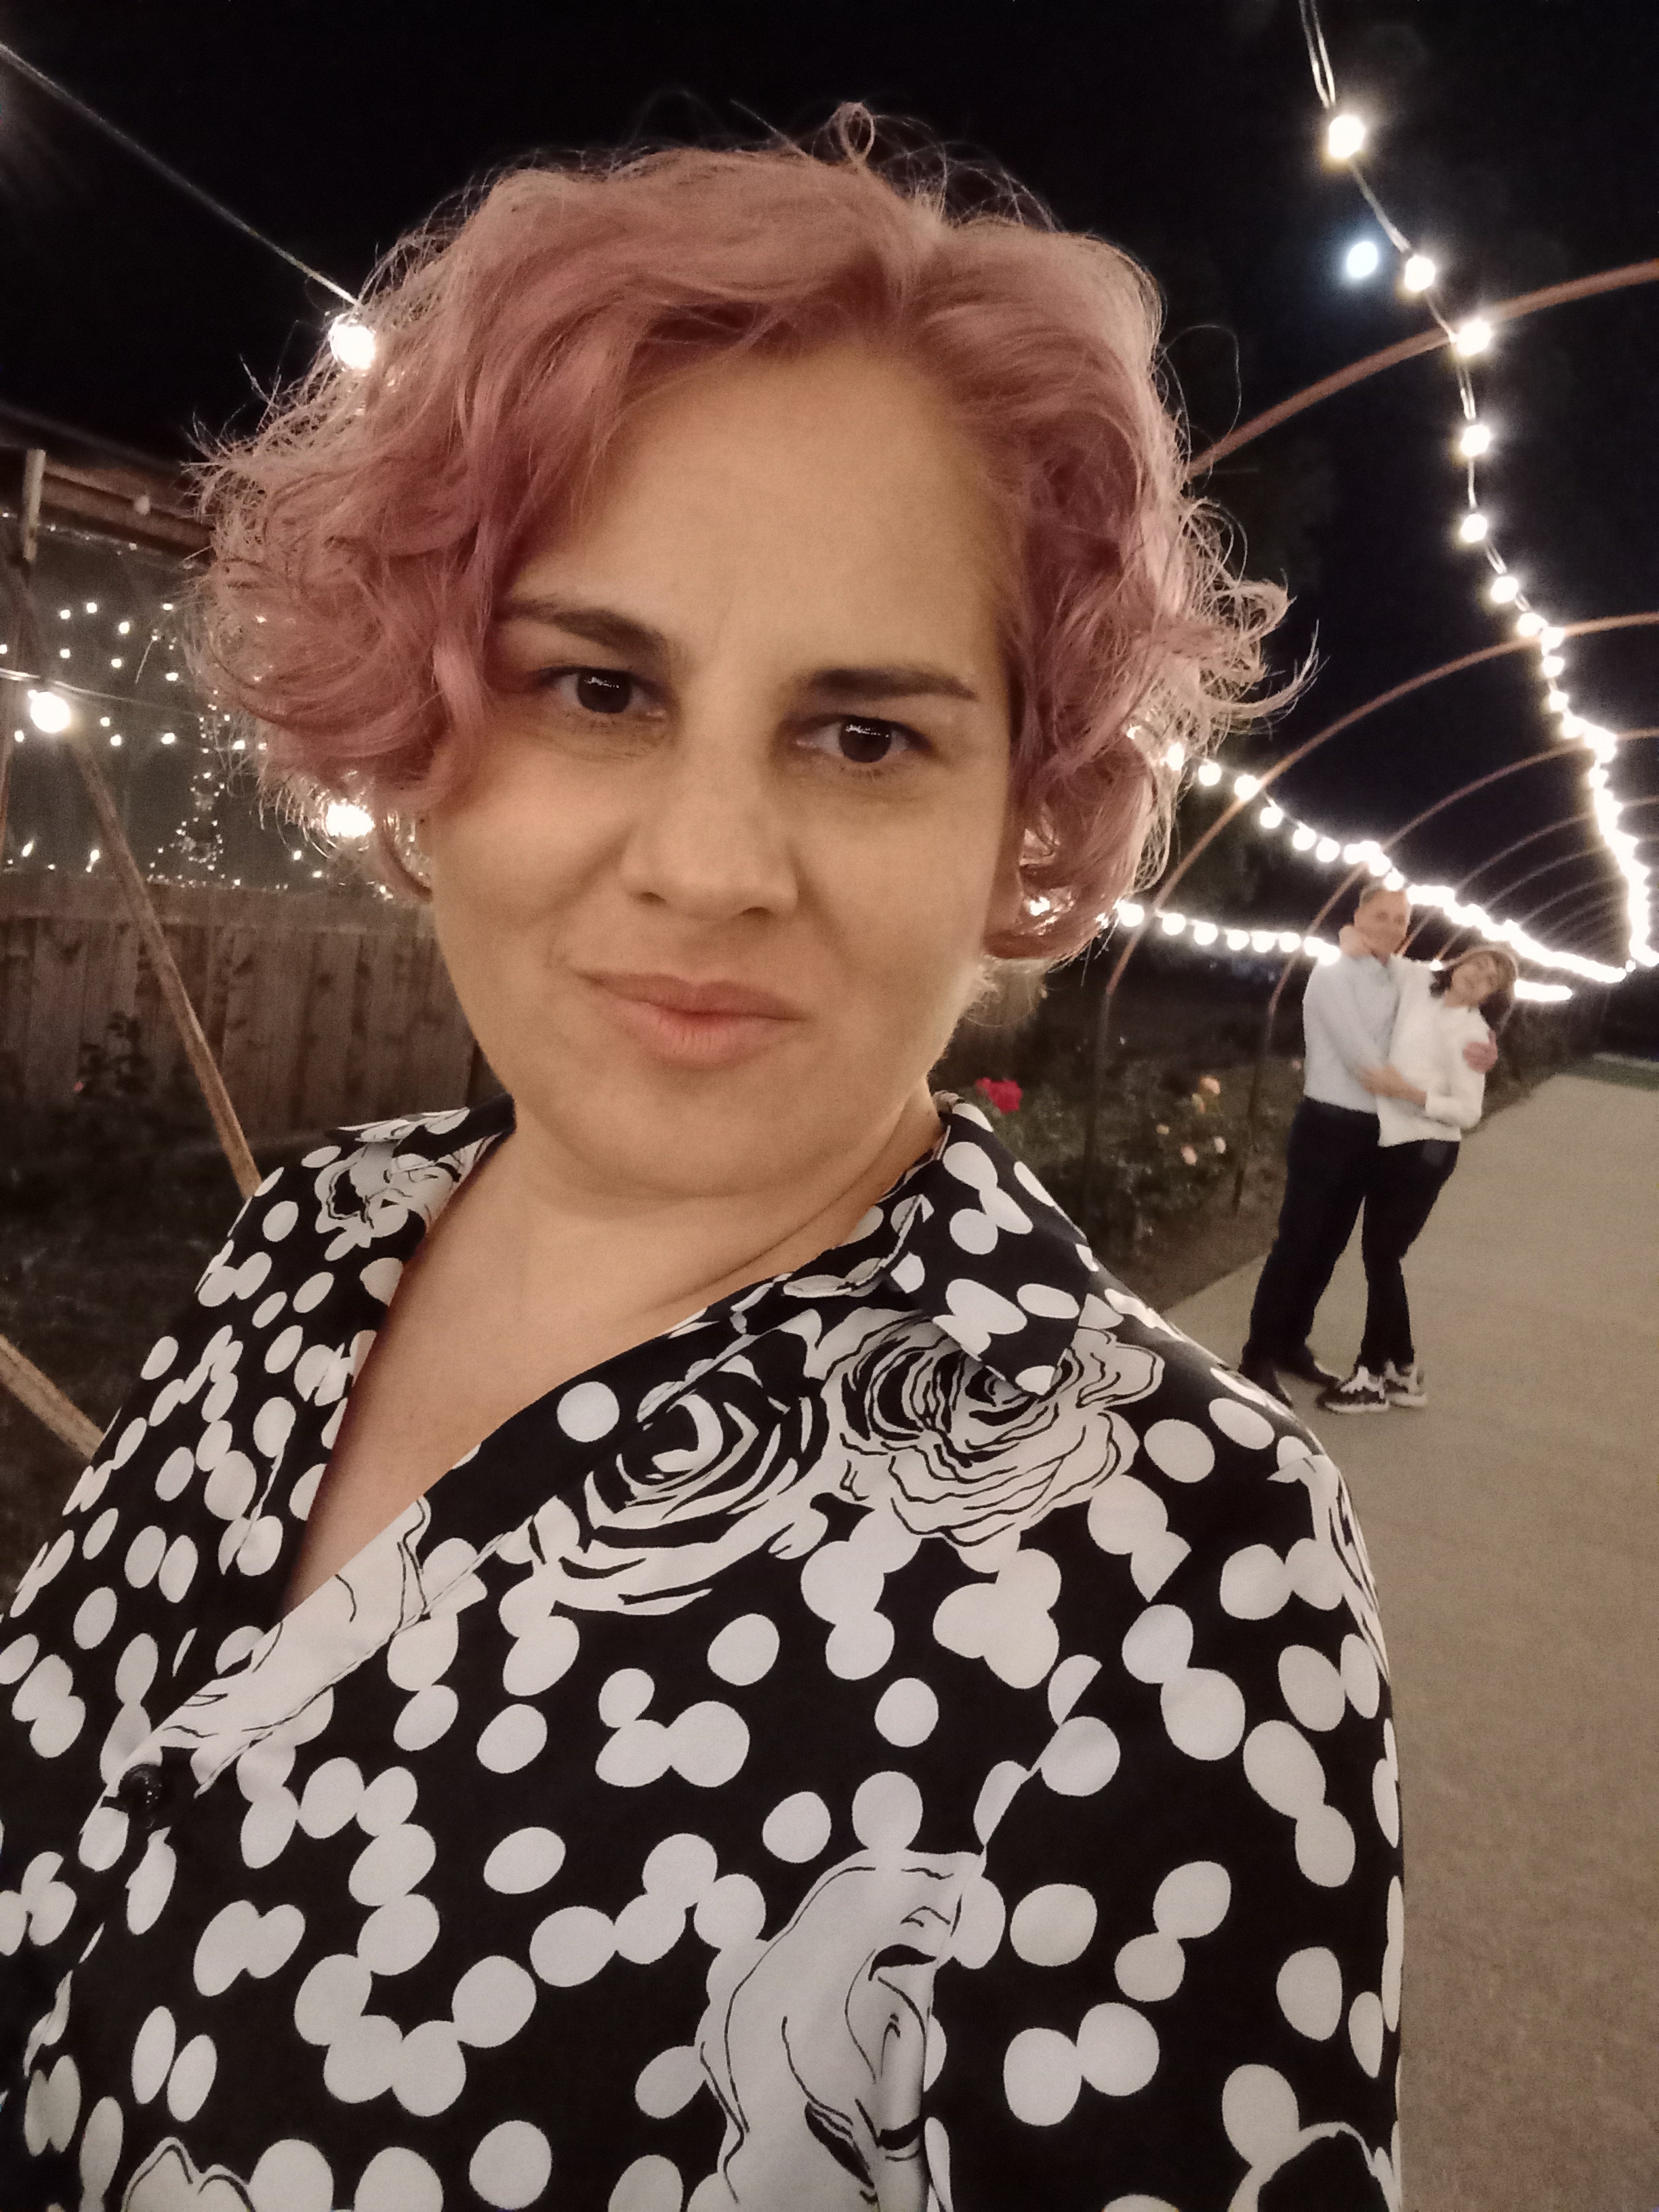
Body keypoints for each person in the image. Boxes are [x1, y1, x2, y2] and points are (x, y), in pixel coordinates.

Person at [0, 119, 1404, 2211]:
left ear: (1025, 808)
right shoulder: (310, 1244)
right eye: (597, 686)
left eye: (864, 734)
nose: (711, 863)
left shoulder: (1182, 1570)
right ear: (426, 716)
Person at [1240, 882, 1496, 1406]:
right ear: (1358, 917)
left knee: (1330, 1245)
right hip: (1326, 1125)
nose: (1391, 927)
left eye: (1400, 920)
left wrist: (1484, 1044)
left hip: (1371, 1136)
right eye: (1381, 916)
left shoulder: (1401, 977)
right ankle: (1257, 1356)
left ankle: (1292, 1342)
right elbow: (1364, 1057)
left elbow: (1449, 1002)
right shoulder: (1334, 975)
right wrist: (1413, 1089)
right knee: (1297, 1241)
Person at [1316, 942, 1518, 1415]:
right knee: (1382, 1257)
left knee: (1383, 1256)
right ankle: (1403, 1370)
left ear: (1491, 996)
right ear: (1460, 961)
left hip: (1426, 1153)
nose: (1479, 975)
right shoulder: (1418, 986)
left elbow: (1468, 1111)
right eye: (1478, 963)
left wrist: (1406, 1092)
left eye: (1491, 979)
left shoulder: (1472, 1035)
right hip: (1391, 1143)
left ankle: (1370, 1376)